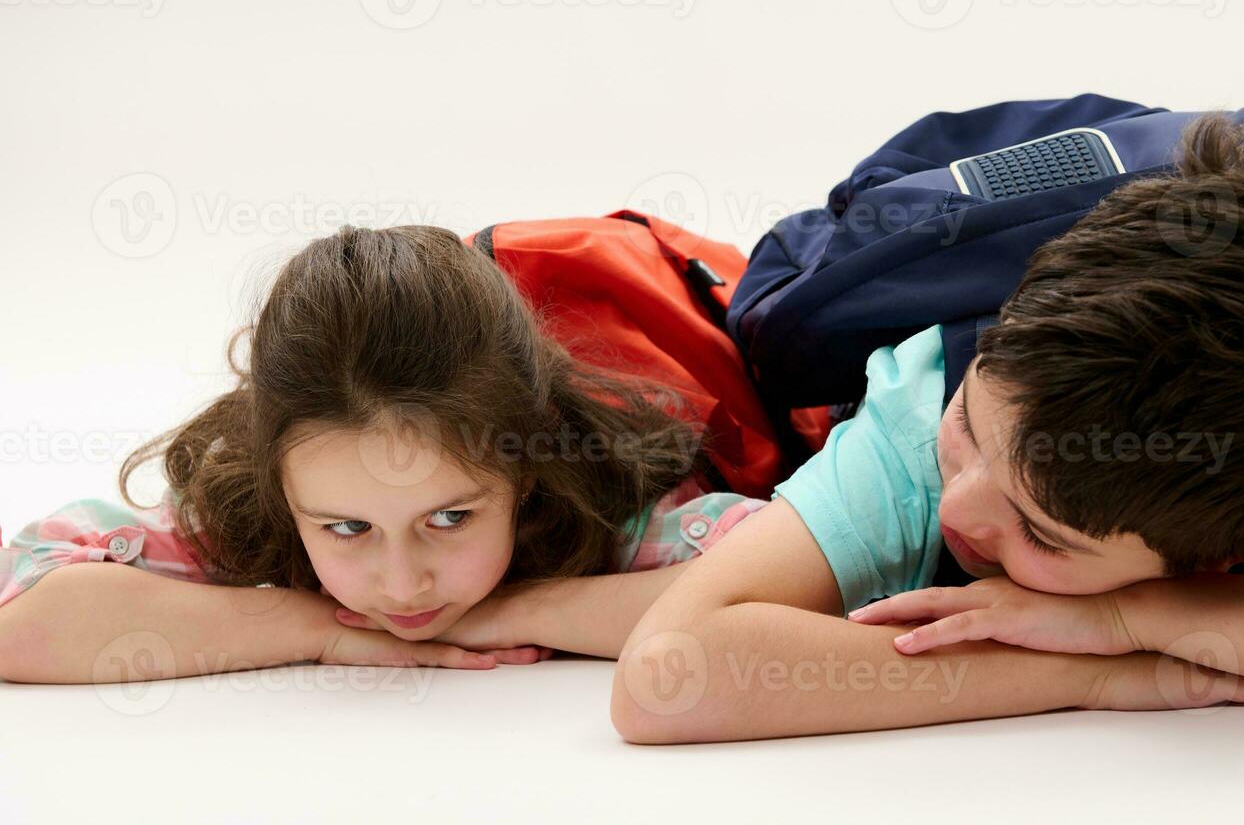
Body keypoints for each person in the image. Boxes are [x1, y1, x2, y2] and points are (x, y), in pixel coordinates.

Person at [603, 114, 1244, 742]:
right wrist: (1093, 672)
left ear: (1227, 555)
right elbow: (667, 673)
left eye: (1041, 534)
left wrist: (1139, 618)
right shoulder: (930, 407)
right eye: (971, 434)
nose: (963, 510)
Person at [0, 224, 764, 683]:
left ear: (525, 475)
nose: (402, 586)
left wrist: (527, 608)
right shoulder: (266, 478)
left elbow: (806, 576)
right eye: (345, 530)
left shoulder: (593, 481)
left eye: (452, 517)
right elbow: (22, 616)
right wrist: (318, 628)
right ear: (277, 482)